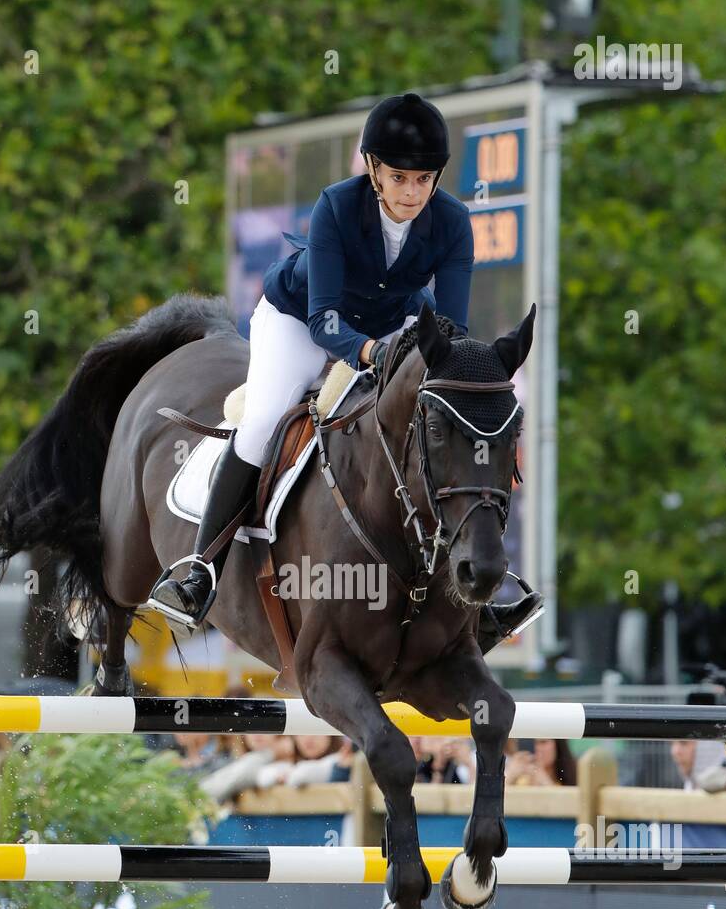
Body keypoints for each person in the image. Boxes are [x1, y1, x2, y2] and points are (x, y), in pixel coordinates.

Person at [149, 91, 542, 645]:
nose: (412, 193)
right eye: (400, 178)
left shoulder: (453, 222)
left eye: (424, 180)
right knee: (263, 424)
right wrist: (372, 355)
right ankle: (199, 571)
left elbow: (447, 330)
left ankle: (474, 595)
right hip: (301, 321)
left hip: (389, 324)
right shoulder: (337, 205)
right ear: (375, 170)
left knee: (422, 427)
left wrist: (433, 368)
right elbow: (324, 320)